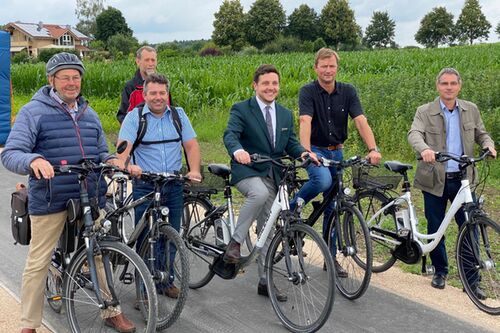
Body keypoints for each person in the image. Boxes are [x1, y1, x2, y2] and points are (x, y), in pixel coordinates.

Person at [1, 52, 134, 333]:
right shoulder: (33, 111)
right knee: (38, 261)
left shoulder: (90, 113)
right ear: (52, 80)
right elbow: (11, 153)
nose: (72, 82)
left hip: (89, 196)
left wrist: (112, 161)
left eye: (76, 77)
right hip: (51, 197)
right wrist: (33, 161)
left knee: (98, 254)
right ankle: (28, 325)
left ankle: (111, 311)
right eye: (65, 77)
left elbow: (100, 152)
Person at [223, 64, 316, 301]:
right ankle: (235, 242)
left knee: (268, 226)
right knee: (259, 194)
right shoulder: (242, 109)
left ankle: (265, 280)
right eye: (265, 83)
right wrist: (238, 151)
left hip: (273, 173)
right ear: (255, 85)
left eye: (274, 83)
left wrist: (304, 154)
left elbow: (291, 144)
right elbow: (230, 134)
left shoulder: (284, 114)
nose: (270, 88)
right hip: (248, 169)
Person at [290, 48, 382, 277]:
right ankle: (292, 209)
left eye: (332, 66)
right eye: (324, 66)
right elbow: (305, 120)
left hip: (337, 152)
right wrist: (306, 151)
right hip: (316, 150)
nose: (328, 70)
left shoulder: (348, 91)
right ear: (316, 68)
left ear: (336, 68)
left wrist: (373, 149)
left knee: (333, 206)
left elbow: (361, 121)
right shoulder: (308, 91)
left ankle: (330, 258)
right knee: (321, 181)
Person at [408, 67, 496, 294]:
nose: (449, 87)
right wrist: (425, 148)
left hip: (464, 179)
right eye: (444, 83)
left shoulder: (471, 110)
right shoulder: (424, 111)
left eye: (453, 84)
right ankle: (440, 271)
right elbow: (414, 134)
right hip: (435, 178)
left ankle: (472, 280)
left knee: (470, 227)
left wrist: (488, 144)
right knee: (436, 225)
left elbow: (481, 133)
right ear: (438, 86)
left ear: (459, 86)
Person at [116, 73, 201, 298]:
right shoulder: (135, 117)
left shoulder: (178, 115)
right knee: (146, 238)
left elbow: (191, 145)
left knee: (172, 234)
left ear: (167, 94)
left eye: (162, 93)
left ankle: (165, 281)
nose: (158, 97)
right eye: (152, 93)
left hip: (173, 182)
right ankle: (144, 289)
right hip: (145, 183)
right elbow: (123, 148)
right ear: (144, 95)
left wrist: (194, 170)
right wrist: (127, 165)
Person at [116, 46, 167, 124]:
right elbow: (122, 116)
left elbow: (169, 111)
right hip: (139, 133)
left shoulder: (163, 85)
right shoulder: (130, 87)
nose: (151, 64)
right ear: (138, 61)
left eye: (153, 60)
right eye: (147, 60)